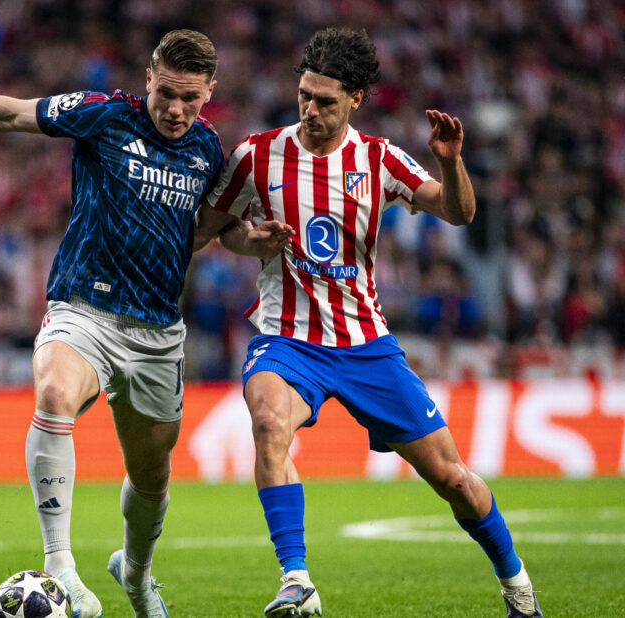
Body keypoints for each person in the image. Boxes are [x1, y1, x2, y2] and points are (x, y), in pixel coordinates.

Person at [0, 29, 271, 618]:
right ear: (148, 78)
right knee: (54, 391)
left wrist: (251, 239)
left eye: (191, 99)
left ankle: (136, 576)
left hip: (158, 332)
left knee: (151, 475)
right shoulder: (103, 116)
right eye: (166, 93)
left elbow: (207, 231)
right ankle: (60, 563)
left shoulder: (208, 150)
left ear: (210, 91)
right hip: (84, 308)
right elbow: (10, 114)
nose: (176, 109)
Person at [196, 28, 543, 618]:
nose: (310, 108)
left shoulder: (379, 160)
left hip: (367, 345)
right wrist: (250, 240)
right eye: (304, 94)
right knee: (267, 421)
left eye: (325, 100)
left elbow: (458, 213)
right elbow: (210, 228)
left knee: (453, 479)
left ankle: (518, 588)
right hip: (286, 339)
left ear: (357, 98)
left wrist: (451, 163)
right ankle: (297, 580)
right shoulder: (257, 154)